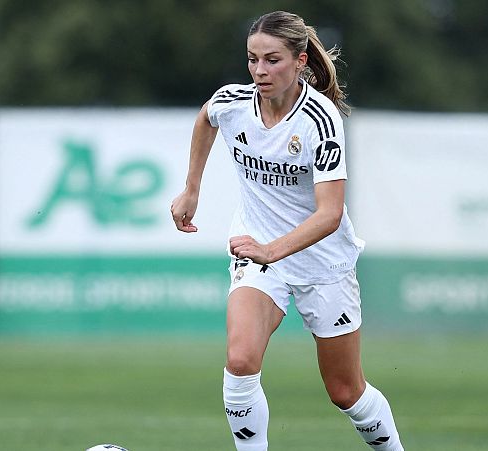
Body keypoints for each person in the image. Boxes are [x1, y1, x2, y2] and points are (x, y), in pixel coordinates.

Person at [170, 10, 404, 451]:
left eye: (272, 60)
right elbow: (207, 117)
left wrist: (271, 250)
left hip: (322, 261)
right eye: (253, 59)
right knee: (240, 361)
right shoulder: (233, 101)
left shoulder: (319, 119)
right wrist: (191, 189)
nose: (260, 71)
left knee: (346, 392)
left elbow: (329, 214)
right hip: (259, 253)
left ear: (300, 61)